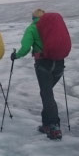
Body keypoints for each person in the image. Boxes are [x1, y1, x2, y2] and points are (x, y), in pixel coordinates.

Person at [12, 8, 64, 140]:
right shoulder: (53, 27)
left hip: (44, 64)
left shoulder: (32, 28)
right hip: (59, 62)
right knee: (47, 93)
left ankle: (53, 126)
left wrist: (16, 56)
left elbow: (25, 47)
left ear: (33, 17)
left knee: (47, 94)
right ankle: (46, 123)